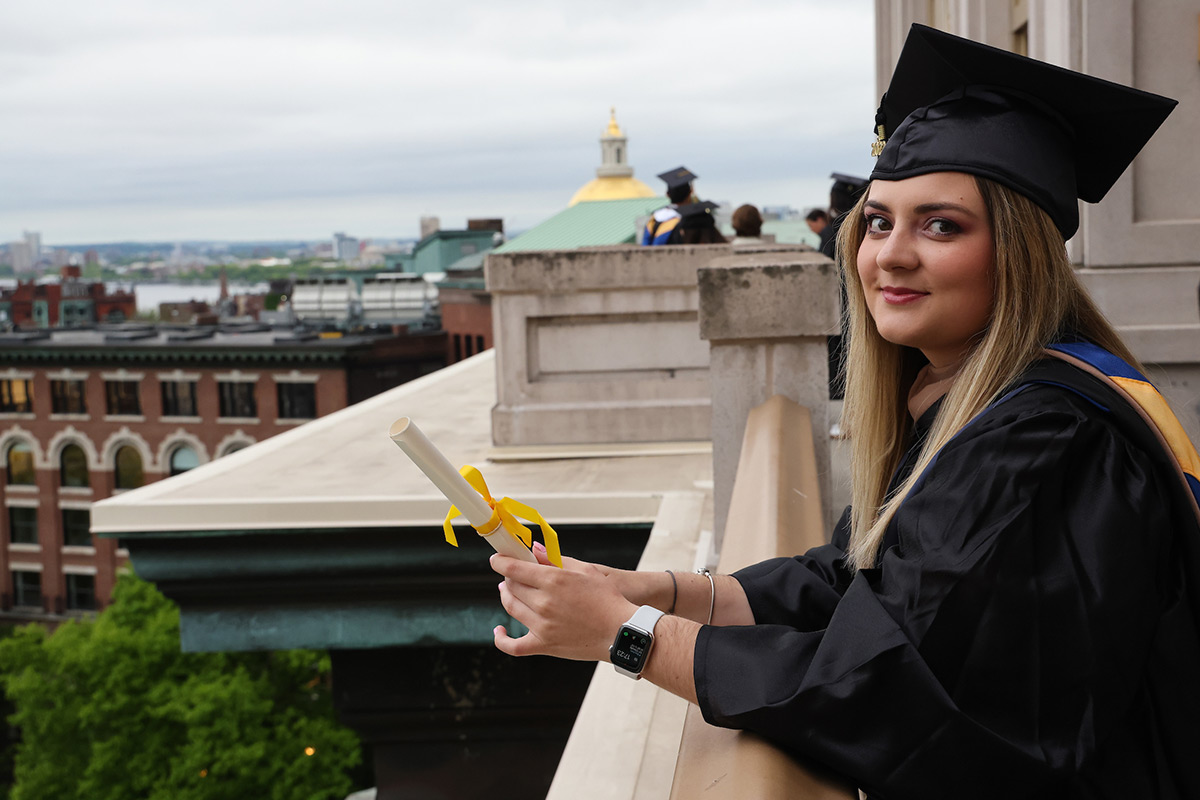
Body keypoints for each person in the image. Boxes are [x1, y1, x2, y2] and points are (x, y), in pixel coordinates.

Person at [491, 24, 1196, 799]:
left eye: (941, 225)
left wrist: (626, 638)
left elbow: (890, 688)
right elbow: (864, 577)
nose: (888, 254)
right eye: (879, 220)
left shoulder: (1046, 441)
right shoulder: (977, 395)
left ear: (1019, 253)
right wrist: (659, 591)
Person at [641, 166, 696, 245]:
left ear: (667, 194)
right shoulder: (691, 219)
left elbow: (645, 244)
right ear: (690, 192)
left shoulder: (655, 218)